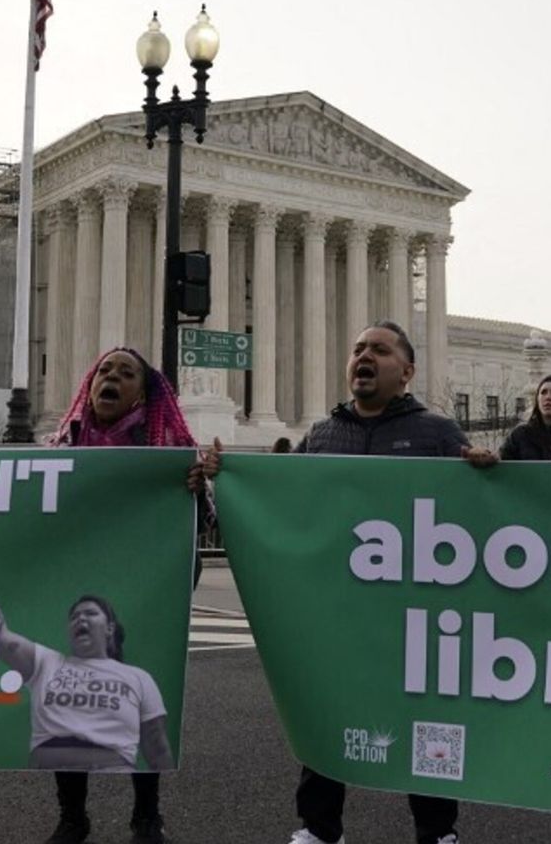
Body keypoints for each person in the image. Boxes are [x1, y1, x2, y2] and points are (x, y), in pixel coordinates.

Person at [206, 320, 494, 844]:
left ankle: (437, 831)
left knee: (424, 723)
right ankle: (319, 828)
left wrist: (486, 471)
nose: (364, 356)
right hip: (338, 610)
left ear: (406, 371)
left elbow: (480, 515)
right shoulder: (322, 433)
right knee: (327, 713)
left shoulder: (437, 433)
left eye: (379, 350)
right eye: (358, 348)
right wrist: (228, 477)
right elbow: (288, 504)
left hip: (413, 612)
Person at [38, 346, 215, 844]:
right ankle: (73, 816)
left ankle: (146, 815)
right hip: (74, 596)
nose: (110, 379)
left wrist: (195, 493)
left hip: (141, 601)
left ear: (146, 391)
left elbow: (192, 534)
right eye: (103, 371)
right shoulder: (62, 446)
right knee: (67, 706)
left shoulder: (167, 450)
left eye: (125, 373)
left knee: (141, 705)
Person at [0, 548, 174, 770]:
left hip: (113, 776)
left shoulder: (139, 678)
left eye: (90, 613)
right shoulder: (46, 663)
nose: (80, 619)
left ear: (109, 628)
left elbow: (157, 747)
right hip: (46, 778)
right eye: (74, 617)